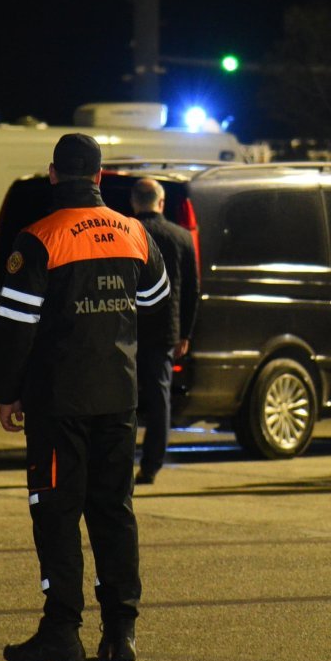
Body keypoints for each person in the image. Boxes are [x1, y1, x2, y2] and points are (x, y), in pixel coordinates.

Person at [0, 134, 172, 661]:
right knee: (114, 512)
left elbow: (16, 326)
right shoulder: (134, 232)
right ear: (98, 176)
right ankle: (121, 632)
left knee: (56, 513)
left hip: (58, 402)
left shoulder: (39, 238)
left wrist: (8, 393)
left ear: (53, 175)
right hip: (119, 397)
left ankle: (62, 630)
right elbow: (157, 303)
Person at [128, 178, 196, 486]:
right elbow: (192, 289)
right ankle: (151, 465)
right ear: (161, 202)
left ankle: (116, 459)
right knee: (159, 399)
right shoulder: (181, 237)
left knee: (122, 399)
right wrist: (185, 332)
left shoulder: (126, 232)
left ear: (134, 203)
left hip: (126, 328)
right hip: (164, 330)